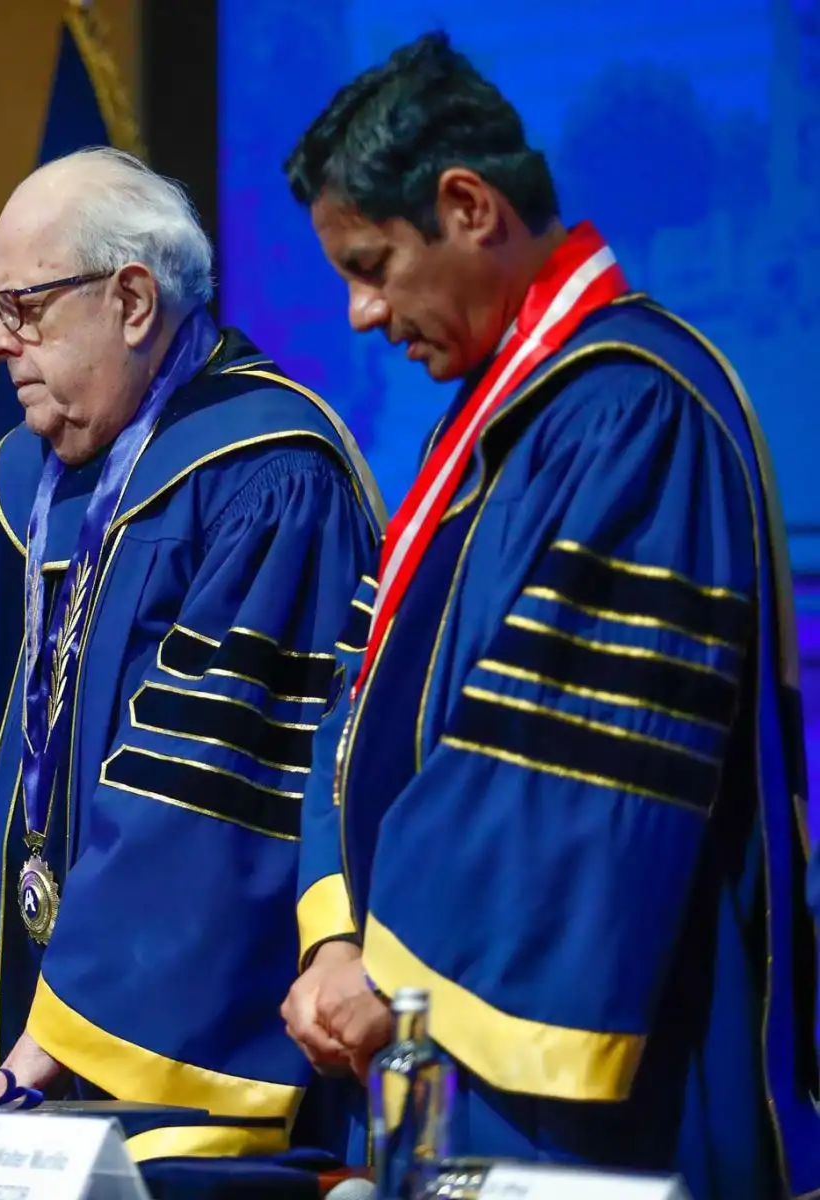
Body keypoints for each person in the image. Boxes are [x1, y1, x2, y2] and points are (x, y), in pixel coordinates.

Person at [278, 33, 819, 1197]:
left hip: (613, 1084)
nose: (362, 314)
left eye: (371, 265)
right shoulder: (482, 430)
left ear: (468, 206)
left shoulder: (634, 412)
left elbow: (569, 766)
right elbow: (358, 696)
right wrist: (334, 936)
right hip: (440, 1057)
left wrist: (393, 973)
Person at [0, 147, 385, 1158]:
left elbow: (214, 798)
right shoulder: (21, 496)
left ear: (133, 301)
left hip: (155, 1090)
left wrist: (61, 1032)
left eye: (24, 308)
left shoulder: (264, 477)